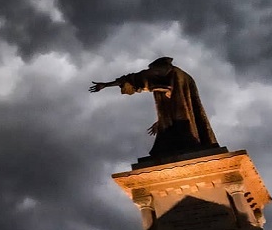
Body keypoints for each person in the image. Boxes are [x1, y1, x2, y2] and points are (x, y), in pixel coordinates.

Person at [90, 57, 219, 157]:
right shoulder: (168, 76)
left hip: (183, 124)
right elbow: (133, 79)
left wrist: (106, 85)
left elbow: (180, 104)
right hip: (178, 120)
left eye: (154, 71)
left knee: (182, 135)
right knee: (172, 137)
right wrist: (161, 121)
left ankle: (186, 146)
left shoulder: (174, 75)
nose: (151, 74)